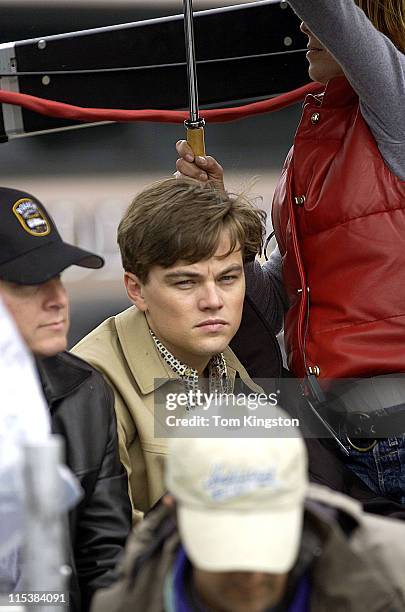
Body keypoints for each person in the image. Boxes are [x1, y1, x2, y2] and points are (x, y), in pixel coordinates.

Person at [175, 0, 405, 505]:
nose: (304, 25)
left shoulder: (400, 100)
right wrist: (219, 223)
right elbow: (274, 301)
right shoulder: (314, 135)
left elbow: (329, 12)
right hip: (336, 445)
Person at [72, 177, 269, 522]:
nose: (212, 301)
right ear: (136, 289)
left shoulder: (228, 364)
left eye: (228, 278)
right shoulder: (92, 384)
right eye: (185, 282)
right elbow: (100, 547)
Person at [90, 431, 405, 612]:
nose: (253, 571)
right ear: (175, 513)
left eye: (269, 540)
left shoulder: (393, 575)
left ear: (302, 509)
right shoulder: (125, 605)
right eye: (227, 545)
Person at [0, 186, 132, 612]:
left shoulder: (83, 389)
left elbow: (104, 555)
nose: (58, 299)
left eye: (58, 277)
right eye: (30, 284)